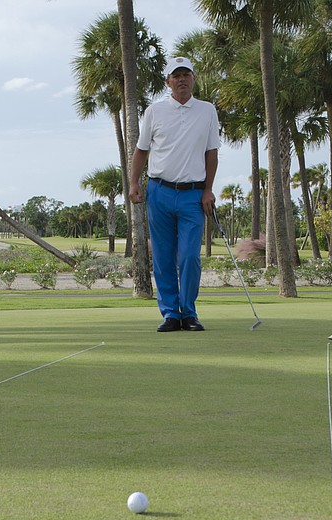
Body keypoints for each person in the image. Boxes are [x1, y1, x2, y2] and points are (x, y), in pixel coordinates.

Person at [130, 56, 220, 332]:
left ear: (193, 79)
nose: (182, 79)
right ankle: (171, 313)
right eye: (176, 75)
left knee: (190, 256)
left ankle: (188, 312)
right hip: (159, 191)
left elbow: (211, 153)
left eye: (187, 75)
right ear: (168, 82)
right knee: (163, 257)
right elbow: (142, 150)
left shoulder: (207, 110)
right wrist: (134, 182)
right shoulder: (154, 111)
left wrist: (208, 190)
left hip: (193, 194)